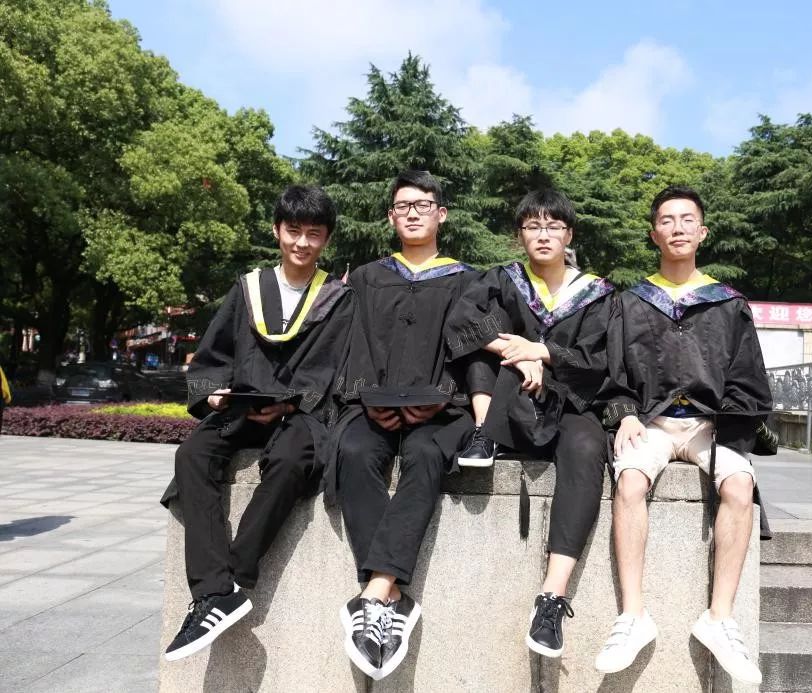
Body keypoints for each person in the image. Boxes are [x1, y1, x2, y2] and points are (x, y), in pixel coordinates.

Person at [159, 184, 352, 661]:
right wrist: (214, 393)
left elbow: (336, 371)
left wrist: (290, 406)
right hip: (241, 406)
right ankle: (213, 589)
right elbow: (214, 356)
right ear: (276, 230)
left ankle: (232, 577)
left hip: (299, 411)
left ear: (326, 239)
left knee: (292, 458)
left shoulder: (337, 298)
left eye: (314, 233)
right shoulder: (248, 289)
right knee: (193, 454)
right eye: (293, 231)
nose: (302, 243)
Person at [595, 185, 771, 684]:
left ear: (702, 232)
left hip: (709, 425)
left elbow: (747, 378)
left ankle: (720, 618)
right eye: (667, 220)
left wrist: (727, 424)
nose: (677, 228)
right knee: (630, 481)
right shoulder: (629, 301)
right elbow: (612, 372)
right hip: (650, 423)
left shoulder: (728, 304)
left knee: (740, 486)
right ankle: (633, 616)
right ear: (654, 233)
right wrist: (626, 414)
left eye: (687, 219)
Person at [329, 170, 487, 680]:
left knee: (424, 454)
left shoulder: (468, 280)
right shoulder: (367, 277)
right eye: (403, 206)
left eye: (423, 204)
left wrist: (445, 399)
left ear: (442, 214)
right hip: (370, 406)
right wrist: (366, 398)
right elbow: (349, 345)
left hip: (440, 408)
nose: (413, 212)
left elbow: (476, 350)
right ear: (390, 217)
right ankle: (392, 597)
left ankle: (375, 594)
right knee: (354, 452)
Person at [445, 189, 614, 659]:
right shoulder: (502, 279)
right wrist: (517, 354)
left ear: (569, 235)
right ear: (519, 235)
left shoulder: (596, 293)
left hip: (569, 402)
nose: (543, 235)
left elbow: (601, 360)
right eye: (533, 226)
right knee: (486, 348)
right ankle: (484, 435)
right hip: (508, 395)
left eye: (553, 226)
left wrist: (542, 351)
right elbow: (461, 324)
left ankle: (552, 598)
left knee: (586, 449)